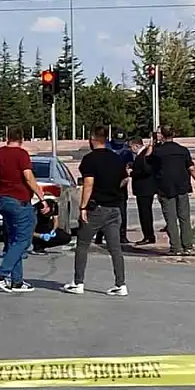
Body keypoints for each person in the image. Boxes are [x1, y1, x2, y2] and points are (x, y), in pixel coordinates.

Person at [0, 127, 46, 292]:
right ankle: (1, 273)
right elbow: (28, 177)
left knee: (14, 240)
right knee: (24, 240)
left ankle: (17, 281)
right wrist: (41, 196)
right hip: (19, 201)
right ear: (22, 139)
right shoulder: (22, 155)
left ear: (7, 137)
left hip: (3, 200)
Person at [64, 125, 128, 296]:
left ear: (92, 139)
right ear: (105, 139)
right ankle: (120, 284)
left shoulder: (90, 160)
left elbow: (88, 183)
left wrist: (83, 206)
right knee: (115, 248)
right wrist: (114, 189)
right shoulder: (116, 159)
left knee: (83, 245)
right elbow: (125, 179)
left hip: (96, 208)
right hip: (114, 208)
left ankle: (78, 282)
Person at [147, 125, 195, 255]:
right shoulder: (183, 150)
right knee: (184, 217)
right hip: (182, 186)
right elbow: (191, 168)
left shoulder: (158, 152)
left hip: (165, 187)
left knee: (171, 218)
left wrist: (151, 145)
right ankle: (188, 246)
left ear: (161, 135)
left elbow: (147, 161)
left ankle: (176, 247)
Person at [96, 133, 133, 245]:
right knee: (104, 210)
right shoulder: (107, 147)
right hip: (106, 182)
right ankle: (100, 234)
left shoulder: (127, 150)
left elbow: (130, 164)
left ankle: (122, 235)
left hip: (121, 183)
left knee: (121, 211)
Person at [128, 136, 157, 245]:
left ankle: (148, 236)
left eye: (131, 147)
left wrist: (131, 173)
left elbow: (145, 170)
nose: (130, 149)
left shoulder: (144, 155)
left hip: (144, 188)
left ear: (136, 146)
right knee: (145, 212)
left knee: (145, 213)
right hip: (144, 188)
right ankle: (148, 235)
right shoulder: (142, 155)